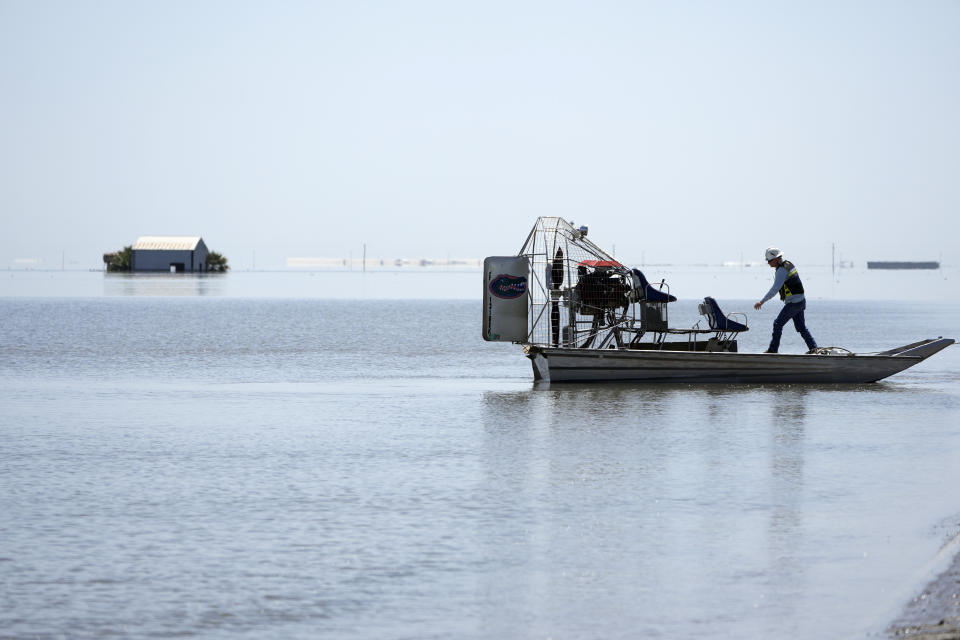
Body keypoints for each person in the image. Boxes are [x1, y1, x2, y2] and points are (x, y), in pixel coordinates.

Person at [753, 247, 818, 354]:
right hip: (801, 301)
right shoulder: (788, 264)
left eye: (769, 260)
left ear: (776, 259)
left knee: (777, 324)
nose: (768, 263)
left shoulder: (781, 270)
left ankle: (773, 350)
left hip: (794, 303)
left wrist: (762, 301)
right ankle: (814, 348)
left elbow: (775, 289)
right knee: (801, 327)